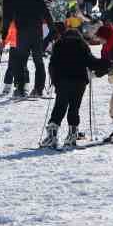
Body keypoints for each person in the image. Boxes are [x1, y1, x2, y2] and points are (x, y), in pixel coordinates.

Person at [39, 18, 94, 150]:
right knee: (74, 108)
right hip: (80, 82)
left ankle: (52, 137)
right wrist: (105, 66)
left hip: (63, 81)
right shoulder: (83, 45)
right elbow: (91, 62)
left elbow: (52, 65)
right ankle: (72, 136)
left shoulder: (59, 44)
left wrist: (54, 81)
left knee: (59, 107)